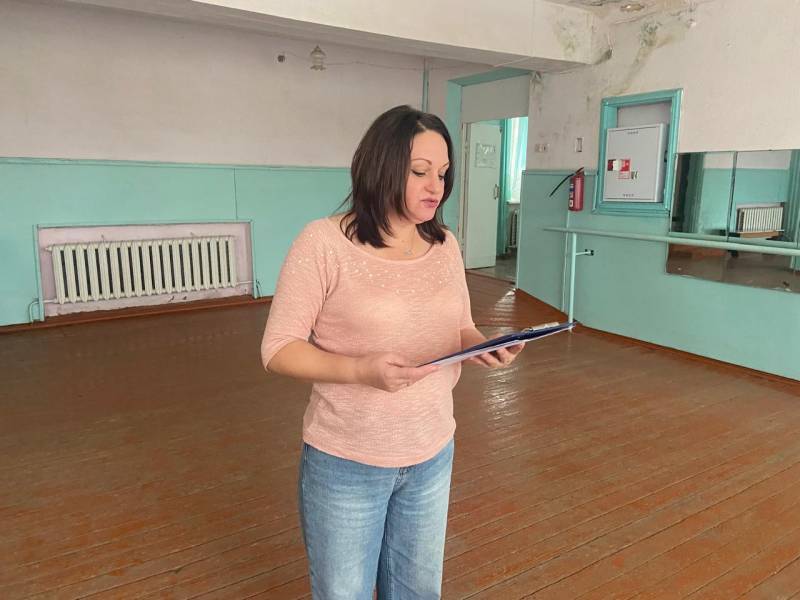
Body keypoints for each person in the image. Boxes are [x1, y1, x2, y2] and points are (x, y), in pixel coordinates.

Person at [260, 104, 525, 599]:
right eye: (420, 171)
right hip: (347, 460)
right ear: (381, 167)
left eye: (442, 173)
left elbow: (461, 326)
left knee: (418, 591)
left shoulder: (444, 244)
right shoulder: (323, 243)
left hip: (431, 451)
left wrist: (483, 345)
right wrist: (360, 370)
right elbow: (278, 349)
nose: (435, 187)